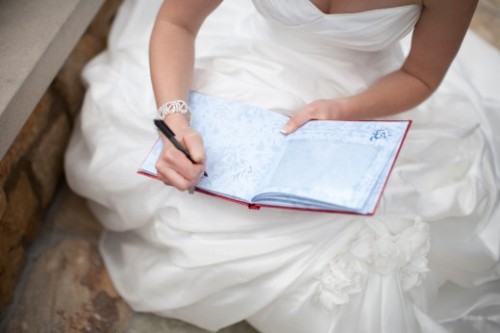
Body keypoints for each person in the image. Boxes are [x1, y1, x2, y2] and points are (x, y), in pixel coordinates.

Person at [65, 0, 500, 332]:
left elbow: (421, 76)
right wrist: (175, 120)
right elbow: (176, 22)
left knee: (361, 265)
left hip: (362, 94)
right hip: (250, 62)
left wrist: (344, 109)